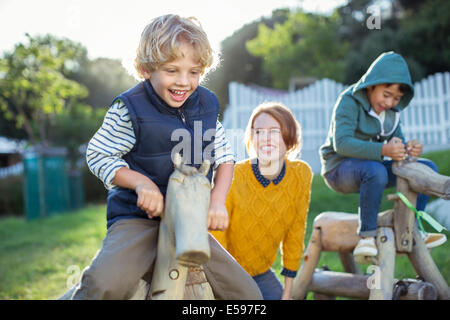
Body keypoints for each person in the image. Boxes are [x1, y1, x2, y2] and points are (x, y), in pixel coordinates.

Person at [64, 14, 262, 299]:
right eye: (172, 71)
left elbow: (226, 157)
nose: (184, 82)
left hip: (190, 223)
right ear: (146, 69)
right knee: (103, 284)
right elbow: (98, 154)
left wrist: (217, 202)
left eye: (194, 72)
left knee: (247, 296)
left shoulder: (206, 105)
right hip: (139, 220)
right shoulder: (129, 109)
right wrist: (140, 183)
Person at [319, 51, 447, 262]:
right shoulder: (348, 101)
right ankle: (366, 236)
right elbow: (341, 144)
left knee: (426, 167)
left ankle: (413, 228)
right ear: (371, 85)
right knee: (376, 170)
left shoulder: (391, 114)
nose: (389, 102)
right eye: (386, 95)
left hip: (371, 170)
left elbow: (395, 146)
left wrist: (407, 150)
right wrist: (383, 150)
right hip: (339, 169)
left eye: (396, 98)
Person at [211, 102, 313, 300]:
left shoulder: (301, 174)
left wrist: (287, 292)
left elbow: (296, 231)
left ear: (289, 137)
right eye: (258, 132)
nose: (265, 138)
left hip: (262, 273)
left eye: (274, 131)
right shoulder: (235, 176)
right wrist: (230, 283)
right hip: (225, 272)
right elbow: (216, 235)